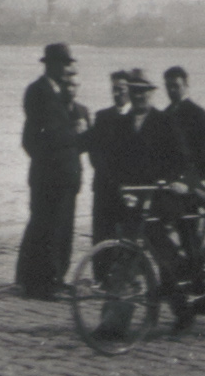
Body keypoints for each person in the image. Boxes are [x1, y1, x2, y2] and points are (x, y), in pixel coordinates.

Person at [113, 68, 198, 332]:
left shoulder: (164, 122)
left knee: (164, 258)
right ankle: (115, 323)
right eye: (134, 91)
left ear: (151, 94)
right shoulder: (123, 123)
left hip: (160, 200)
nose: (138, 96)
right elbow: (117, 160)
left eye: (143, 91)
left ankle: (183, 310)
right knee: (125, 259)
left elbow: (182, 159)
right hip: (133, 202)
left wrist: (173, 181)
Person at [15, 43, 90, 300]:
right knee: (47, 228)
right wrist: (75, 133)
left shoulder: (59, 95)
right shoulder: (39, 92)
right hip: (50, 175)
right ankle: (43, 282)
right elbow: (48, 133)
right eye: (65, 64)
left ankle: (52, 278)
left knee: (59, 229)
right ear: (52, 65)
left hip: (64, 175)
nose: (68, 69)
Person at [85, 70, 133, 246]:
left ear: (130, 90)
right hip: (104, 188)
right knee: (101, 239)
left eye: (121, 89)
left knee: (128, 241)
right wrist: (107, 173)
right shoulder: (102, 117)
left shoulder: (138, 117)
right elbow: (94, 152)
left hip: (129, 189)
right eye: (114, 89)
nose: (117, 93)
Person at [163, 65, 205, 188]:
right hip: (168, 179)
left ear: (186, 85)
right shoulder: (164, 115)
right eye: (168, 86)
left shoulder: (198, 115)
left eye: (176, 86)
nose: (172, 90)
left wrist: (195, 179)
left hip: (190, 181)